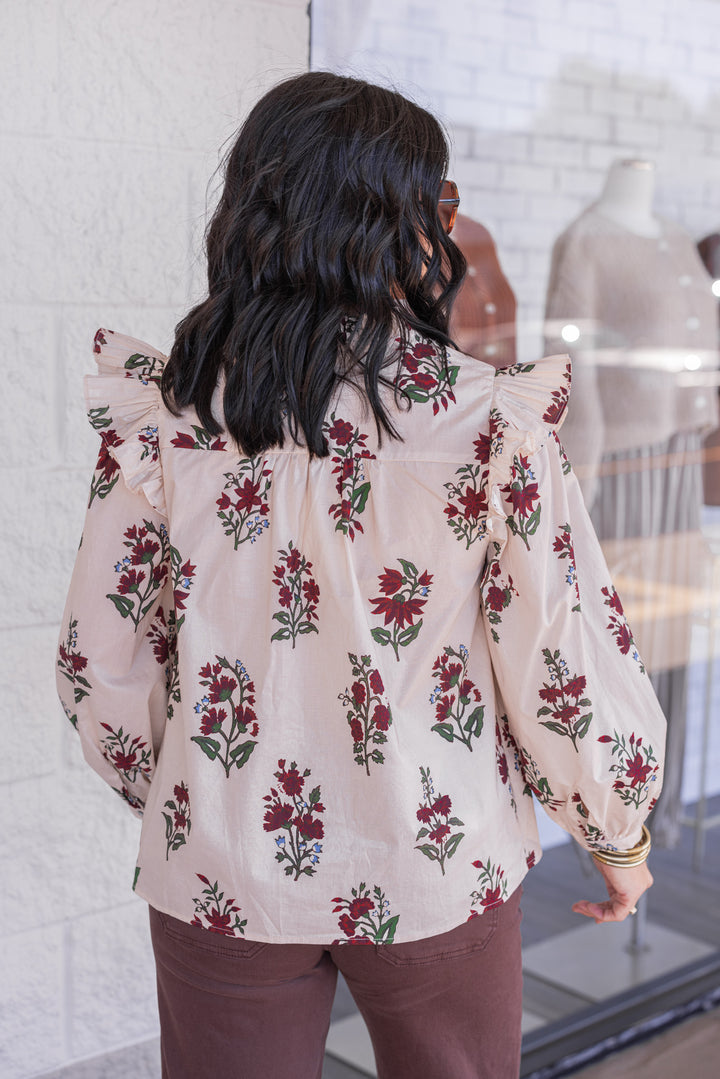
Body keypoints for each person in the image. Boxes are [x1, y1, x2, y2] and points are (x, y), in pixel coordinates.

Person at [56, 72, 666, 1079]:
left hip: (222, 861)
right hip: (437, 855)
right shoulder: (485, 422)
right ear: (395, 221)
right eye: (440, 202)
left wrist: (190, 787)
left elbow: (99, 657)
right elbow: (559, 654)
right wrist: (617, 829)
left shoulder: (164, 416)